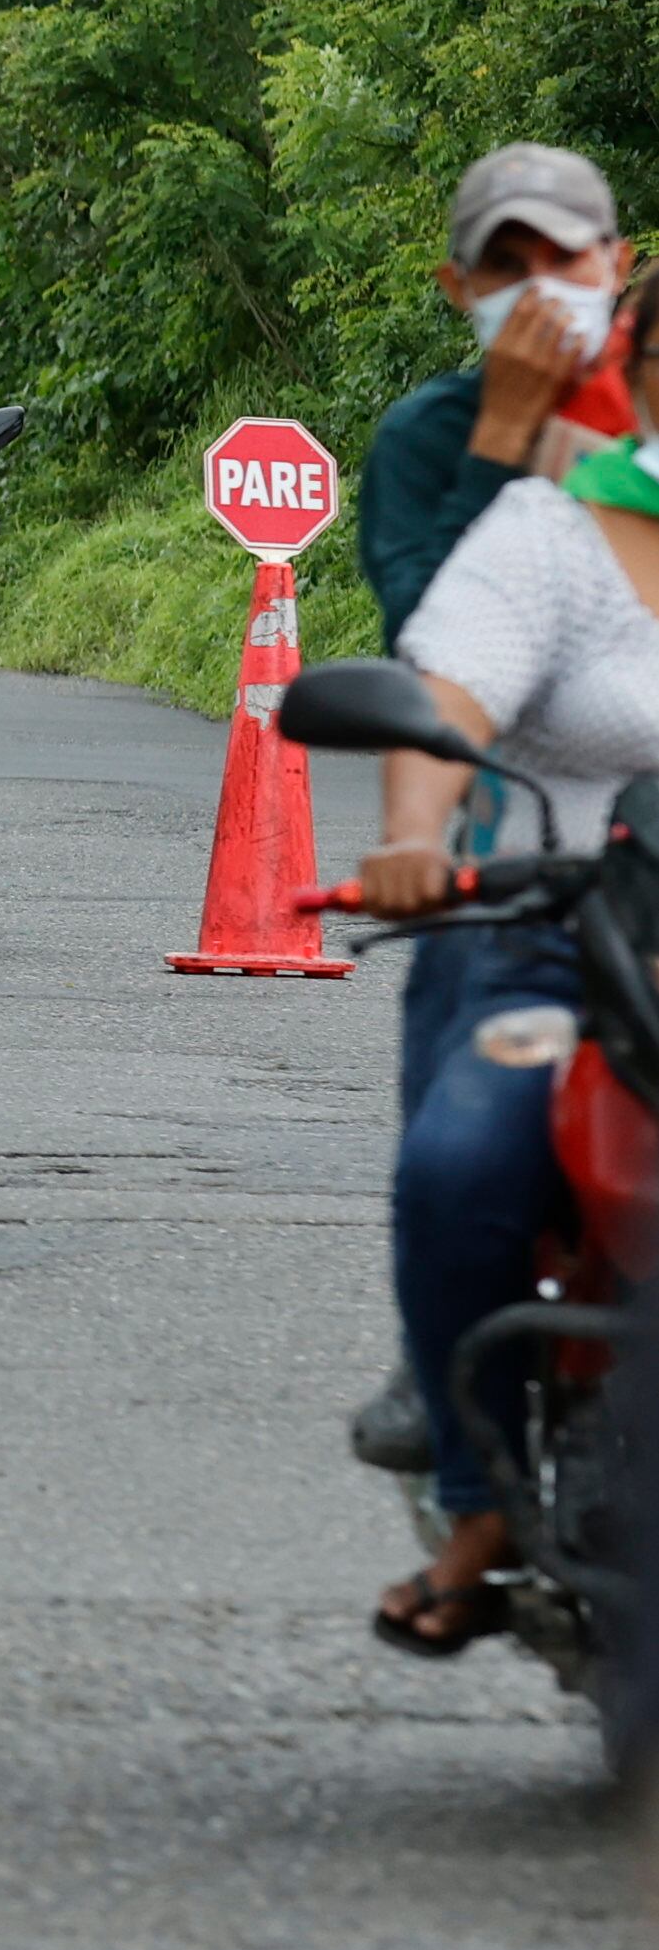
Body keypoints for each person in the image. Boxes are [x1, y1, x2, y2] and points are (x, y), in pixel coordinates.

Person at [352, 263, 659, 1654]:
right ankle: (480, 1502)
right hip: (565, 940)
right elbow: (441, 704)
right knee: (462, 1156)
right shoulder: (546, 533)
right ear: (635, 373)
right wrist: (417, 839)